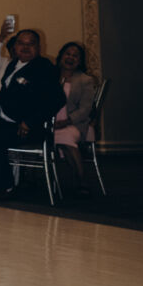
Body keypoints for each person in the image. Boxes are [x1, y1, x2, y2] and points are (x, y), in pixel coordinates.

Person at [0, 29, 63, 198]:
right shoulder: (13, 64)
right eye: (21, 43)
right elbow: (2, 94)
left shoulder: (44, 67)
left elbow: (57, 100)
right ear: (15, 46)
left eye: (30, 44)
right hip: (5, 122)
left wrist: (30, 121)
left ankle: (4, 186)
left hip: (28, 127)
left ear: (39, 47)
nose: (25, 47)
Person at [53, 41, 97, 194]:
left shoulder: (85, 80)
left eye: (75, 56)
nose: (70, 58)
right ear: (61, 56)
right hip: (49, 123)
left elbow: (85, 109)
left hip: (74, 123)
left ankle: (81, 180)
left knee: (65, 137)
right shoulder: (50, 75)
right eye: (68, 54)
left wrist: (65, 122)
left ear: (80, 61)